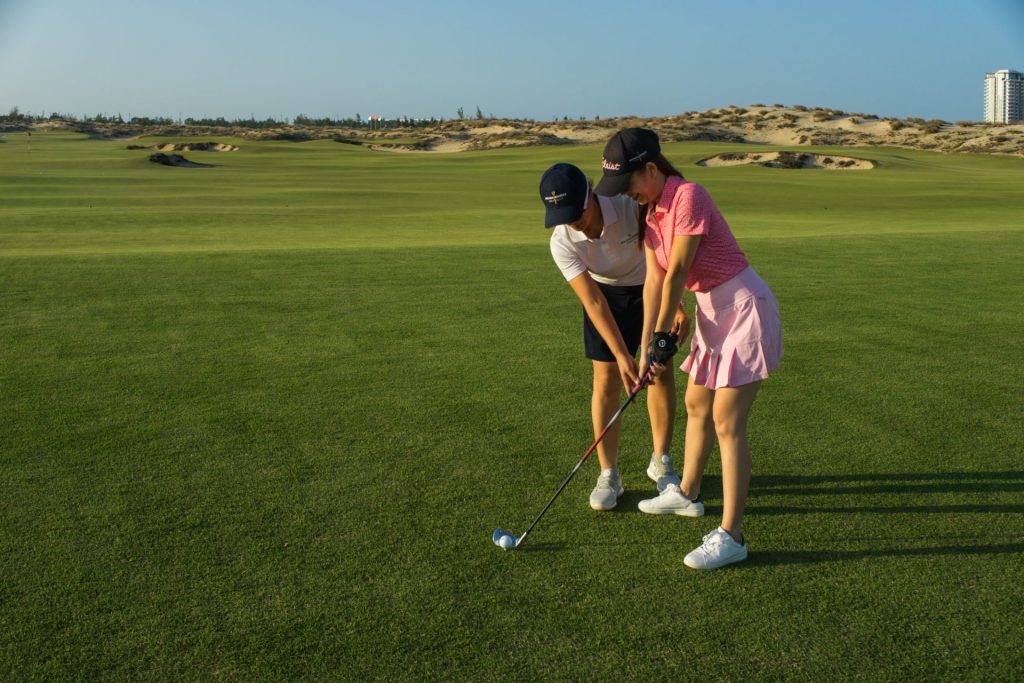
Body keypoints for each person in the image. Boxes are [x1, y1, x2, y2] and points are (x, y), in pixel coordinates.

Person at [594, 129, 783, 569]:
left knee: (726, 421)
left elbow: (679, 267)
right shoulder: (655, 212)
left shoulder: (688, 196)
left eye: (630, 185)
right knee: (697, 402)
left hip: (743, 308)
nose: (629, 195)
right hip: (712, 314)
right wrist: (646, 347)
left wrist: (662, 341)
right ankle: (688, 494)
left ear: (651, 169)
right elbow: (657, 281)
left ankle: (732, 535)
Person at [539, 163, 685, 511]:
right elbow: (592, 300)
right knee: (605, 380)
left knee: (657, 373)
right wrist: (622, 356)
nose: (576, 222)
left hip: (650, 287)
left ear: (591, 194)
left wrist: (675, 302)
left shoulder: (625, 203)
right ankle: (609, 473)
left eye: (578, 212)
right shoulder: (562, 241)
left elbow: (662, 254)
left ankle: (661, 460)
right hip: (606, 300)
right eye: (565, 216)